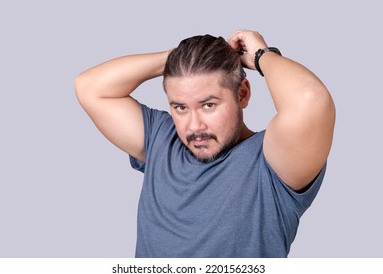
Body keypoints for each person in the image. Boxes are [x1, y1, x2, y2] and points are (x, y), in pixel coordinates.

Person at [75, 30, 335, 257]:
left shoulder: (272, 163)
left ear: (242, 94)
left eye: (208, 105)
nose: (194, 126)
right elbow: (90, 87)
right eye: (180, 107)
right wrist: (181, 57)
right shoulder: (161, 138)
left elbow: (310, 101)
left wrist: (261, 56)